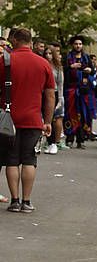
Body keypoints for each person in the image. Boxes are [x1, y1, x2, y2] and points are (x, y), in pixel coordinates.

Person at [0, 27, 55, 213]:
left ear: (15, 40)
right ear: (29, 41)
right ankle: (27, 201)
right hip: (33, 119)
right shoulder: (43, 63)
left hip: (8, 119)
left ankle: (14, 201)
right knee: (29, 160)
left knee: (12, 160)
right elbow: (49, 96)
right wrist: (47, 121)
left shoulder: (4, 61)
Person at [63, 35, 96, 148]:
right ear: (73, 45)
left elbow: (92, 72)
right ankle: (70, 138)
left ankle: (81, 139)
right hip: (71, 90)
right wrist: (71, 66)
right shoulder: (68, 57)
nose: (78, 46)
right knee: (70, 113)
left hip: (83, 90)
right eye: (76, 44)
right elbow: (63, 71)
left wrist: (89, 70)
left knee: (83, 114)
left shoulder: (86, 57)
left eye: (80, 44)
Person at [43, 45, 64, 154]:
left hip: (54, 93)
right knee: (42, 118)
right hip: (41, 93)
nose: (48, 56)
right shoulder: (41, 64)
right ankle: (46, 142)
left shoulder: (58, 67)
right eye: (46, 53)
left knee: (52, 119)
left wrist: (60, 99)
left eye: (50, 53)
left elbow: (60, 84)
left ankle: (53, 143)